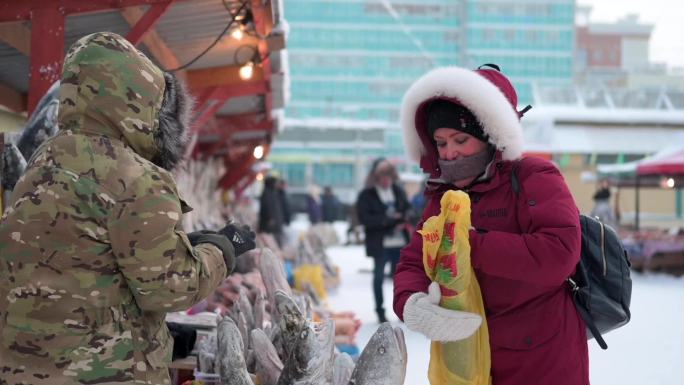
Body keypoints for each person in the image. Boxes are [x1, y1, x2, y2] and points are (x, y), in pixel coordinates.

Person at [0, 32, 257, 384]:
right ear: (140, 102)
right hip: (104, 373)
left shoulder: (43, 162)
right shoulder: (136, 178)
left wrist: (181, 244)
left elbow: (85, 253)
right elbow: (170, 287)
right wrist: (224, 248)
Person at [393, 65, 588, 385]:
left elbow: (559, 253)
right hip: (468, 359)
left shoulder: (533, 177)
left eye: (460, 139)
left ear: (491, 136)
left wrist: (468, 244)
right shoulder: (442, 195)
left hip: (542, 360)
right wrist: (411, 302)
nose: (450, 152)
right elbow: (415, 260)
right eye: (441, 143)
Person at [357, 158, 410, 323]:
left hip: (400, 243)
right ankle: (380, 311)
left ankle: (402, 309)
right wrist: (387, 220)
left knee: (402, 279)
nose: (387, 181)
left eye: (389, 177)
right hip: (380, 244)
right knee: (379, 278)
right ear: (376, 178)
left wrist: (403, 219)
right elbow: (365, 219)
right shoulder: (367, 195)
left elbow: (410, 210)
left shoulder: (398, 191)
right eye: (383, 178)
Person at [259, 175, 285, 246]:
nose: (276, 185)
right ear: (271, 183)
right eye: (275, 183)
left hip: (274, 224)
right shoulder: (267, 193)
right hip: (271, 225)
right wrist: (270, 218)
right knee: (273, 242)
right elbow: (268, 207)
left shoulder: (271, 192)